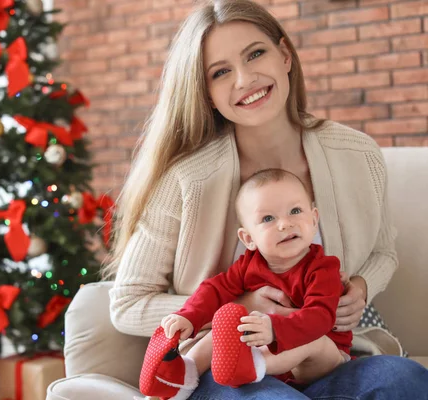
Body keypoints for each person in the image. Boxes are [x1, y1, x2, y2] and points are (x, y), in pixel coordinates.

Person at [105, 0, 428, 398]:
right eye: (220, 72)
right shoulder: (185, 181)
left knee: (406, 381)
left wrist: (361, 285)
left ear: (285, 56)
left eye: (255, 53)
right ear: (205, 94)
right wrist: (238, 307)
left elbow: (383, 252)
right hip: (231, 368)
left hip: (326, 356)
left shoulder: (358, 153)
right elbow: (127, 304)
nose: (245, 79)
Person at [139, 169, 352, 400]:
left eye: (295, 211)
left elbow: (320, 318)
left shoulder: (323, 269)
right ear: (248, 239)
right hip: (264, 351)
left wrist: (274, 329)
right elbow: (214, 290)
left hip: (322, 361)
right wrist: (188, 317)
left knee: (312, 341)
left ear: (313, 219)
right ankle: (181, 378)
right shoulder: (249, 265)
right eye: (268, 218)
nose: (285, 224)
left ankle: (252, 366)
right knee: (223, 324)